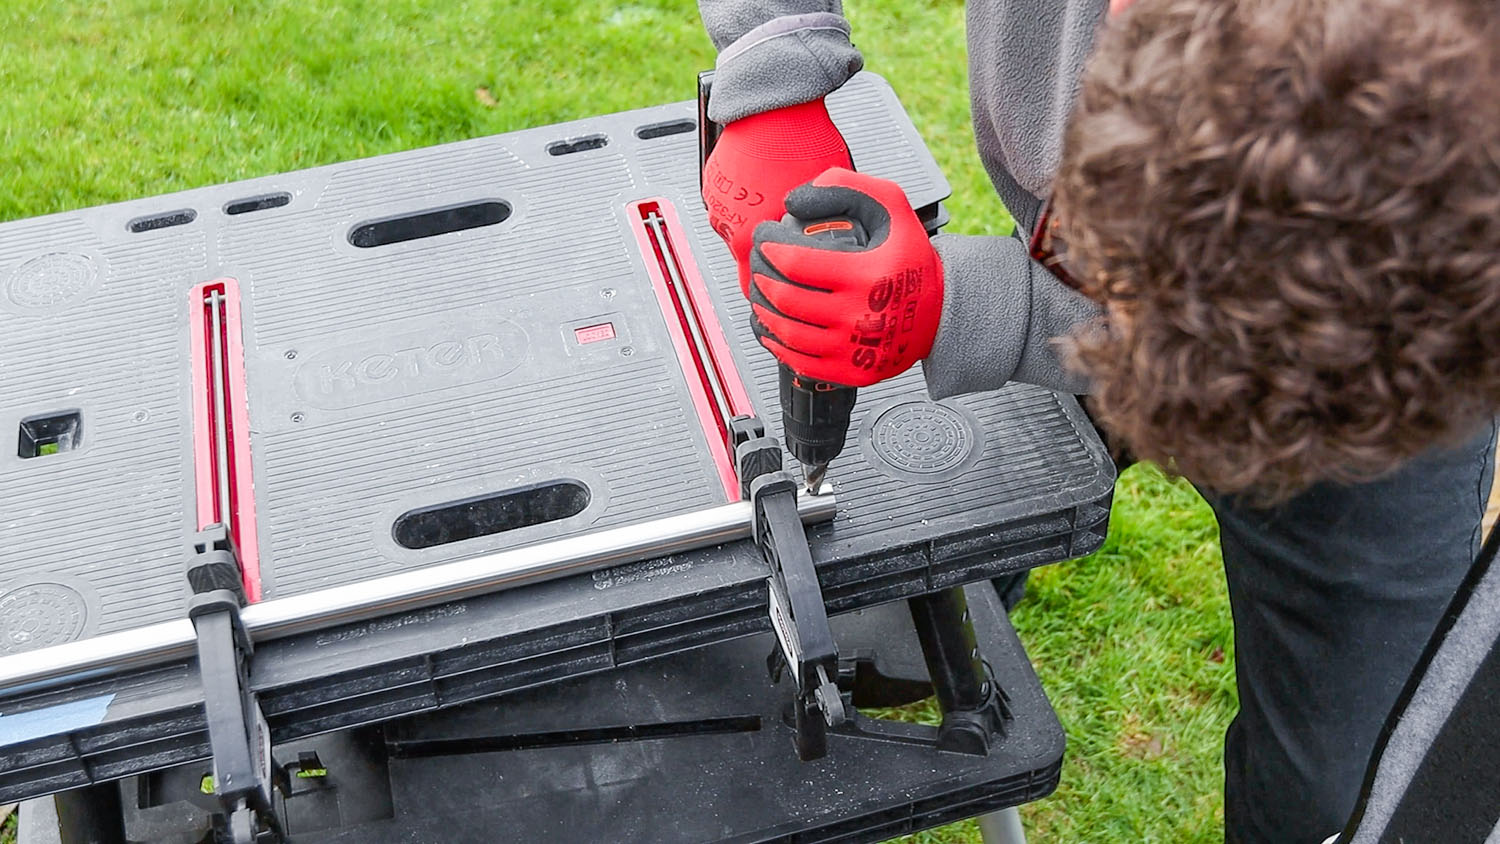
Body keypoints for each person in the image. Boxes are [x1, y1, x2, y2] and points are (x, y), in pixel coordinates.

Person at [697, 0, 1500, 841]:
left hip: (1361, 374)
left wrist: (976, 306)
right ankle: (947, 610)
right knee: (924, 563)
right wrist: (773, 62)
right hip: (1107, 232)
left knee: (1347, 798)